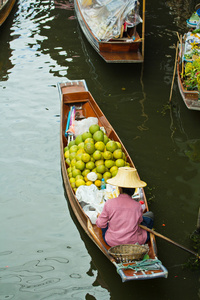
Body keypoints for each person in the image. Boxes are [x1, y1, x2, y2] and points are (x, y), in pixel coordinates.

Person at [96, 167, 154, 247]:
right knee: (149, 216)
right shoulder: (137, 206)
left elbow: (101, 224)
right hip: (133, 242)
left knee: (103, 226)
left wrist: (100, 218)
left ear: (119, 189)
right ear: (134, 190)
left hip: (112, 242)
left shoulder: (109, 203)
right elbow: (139, 221)